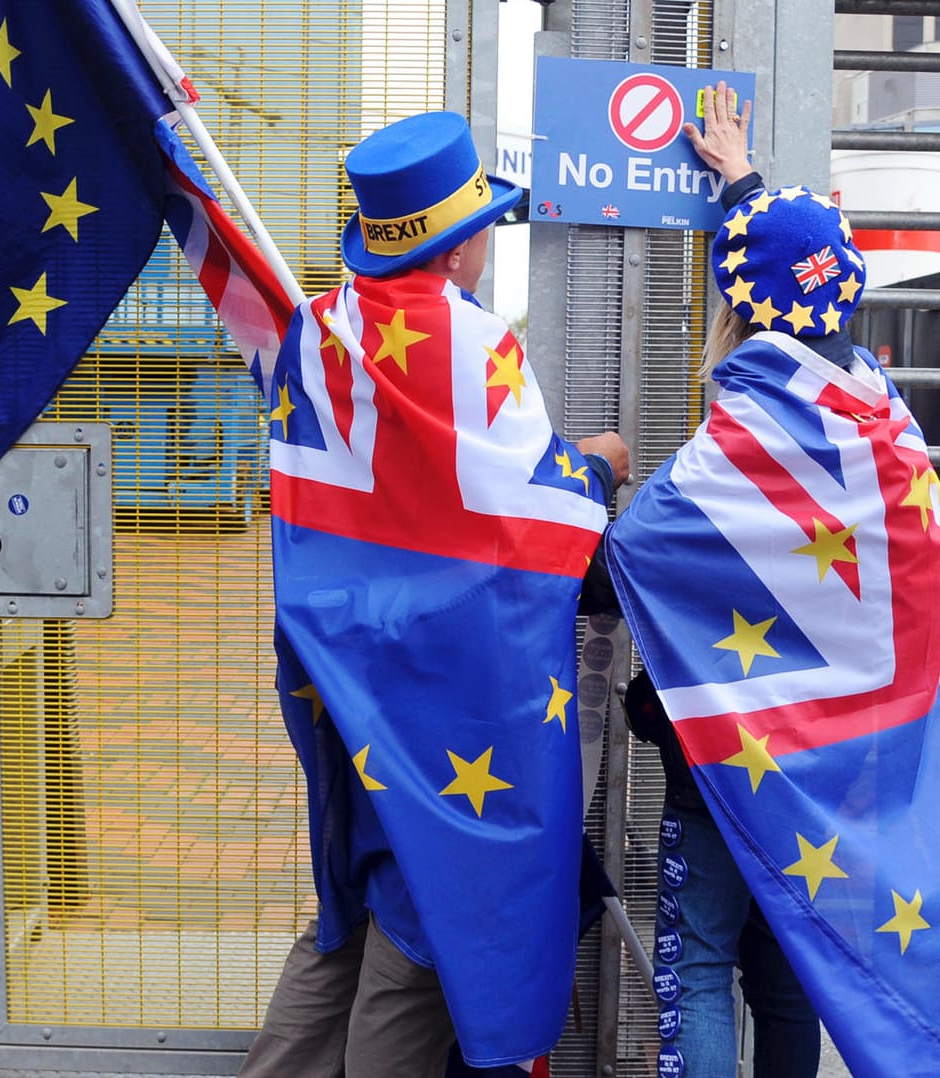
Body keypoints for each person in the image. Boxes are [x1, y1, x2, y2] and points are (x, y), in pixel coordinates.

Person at [597, 81, 940, 1076]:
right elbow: (791, 280)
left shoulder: (736, 446)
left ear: (738, 307)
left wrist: (577, 480)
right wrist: (744, 184)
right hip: (835, 789)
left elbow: (622, 559)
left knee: (695, 972)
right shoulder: (880, 417)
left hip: (723, 773)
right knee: (790, 980)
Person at [239, 110, 630, 1078]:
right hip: (454, 691)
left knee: (352, 898)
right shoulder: (478, 346)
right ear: (462, 246)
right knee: (425, 922)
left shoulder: (315, 330)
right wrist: (602, 466)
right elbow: (527, 523)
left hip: (342, 670)